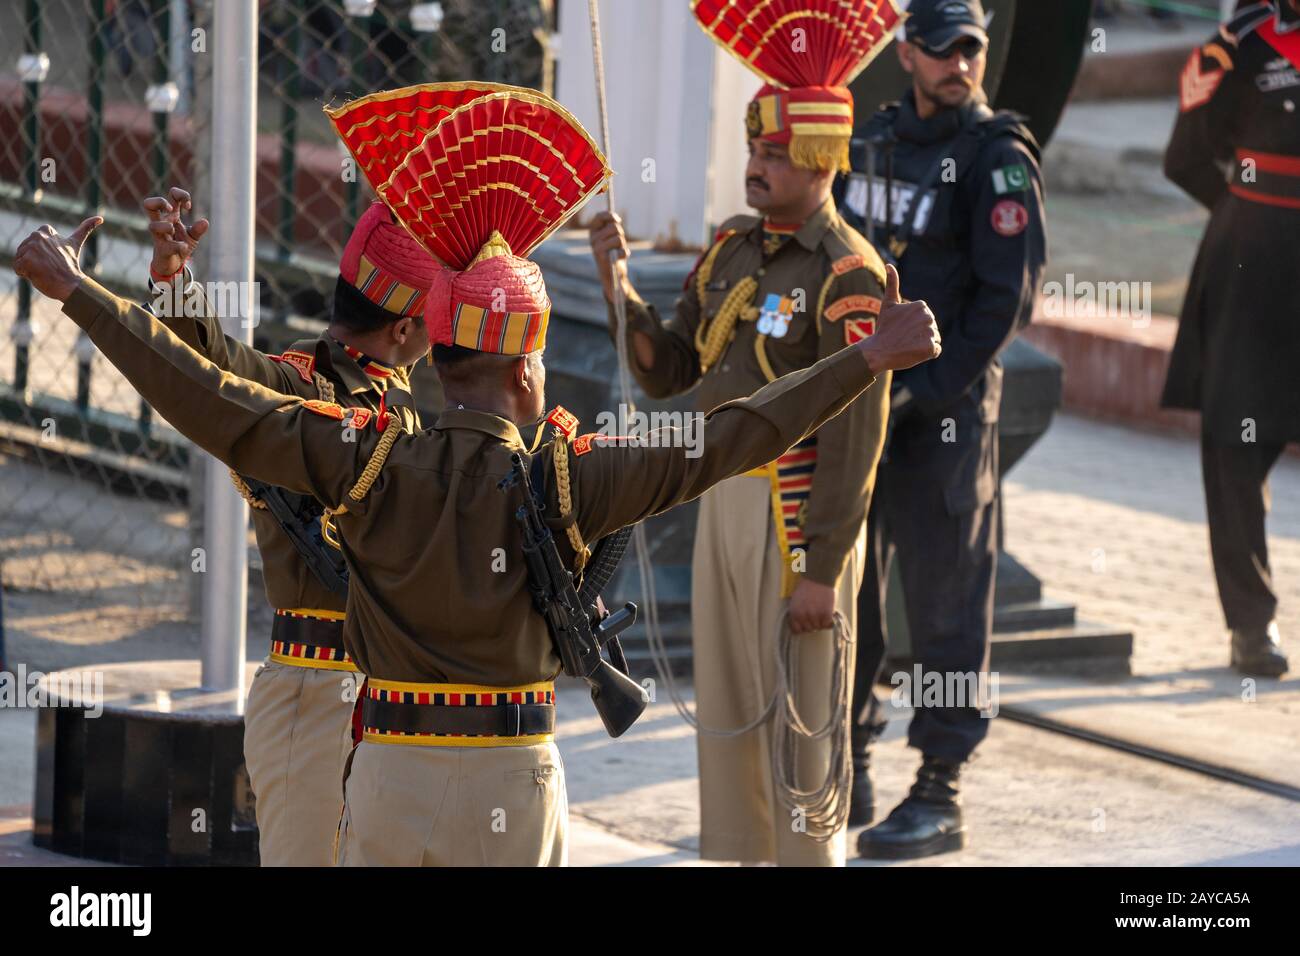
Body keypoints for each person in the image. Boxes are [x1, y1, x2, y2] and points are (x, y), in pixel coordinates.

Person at [14, 82, 942, 866]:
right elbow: (734, 434)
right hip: (513, 778)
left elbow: (212, 397)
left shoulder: (364, 457)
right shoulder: (577, 480)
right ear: (529, 370)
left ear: (438, 356)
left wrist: (83, 296)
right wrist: (865, 362)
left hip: (384, 774)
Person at [588, 0, 900, 865]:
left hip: (794, 517)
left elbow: (855, 436)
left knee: (799, 730)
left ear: (817, 159)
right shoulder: (730, 246)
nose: (755, 166)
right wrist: (619, 287)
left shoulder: (849, 273)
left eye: (773, 155)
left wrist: (823, 570)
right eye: (753, 149)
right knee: (726, 712)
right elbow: (672, 370)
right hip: (720, 495)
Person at [140, 187, 438, 865]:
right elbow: (215, 368)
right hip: (315, 684)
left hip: (386, 686)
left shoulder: (399, 398)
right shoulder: (303, 386)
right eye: (433, 315)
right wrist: (174, 281)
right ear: (401, 328)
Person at [837, 0, 1046, 859]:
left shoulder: (998, 161)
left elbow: (1007, 301)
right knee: (848, 587)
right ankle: (845, 762)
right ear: (908, 54)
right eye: (942, 48)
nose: (959, 62)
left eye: (972, 49)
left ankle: (940, 790)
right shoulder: (871, 142)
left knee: (947, 600)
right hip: (861, 407)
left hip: (946, 416)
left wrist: (925, 388)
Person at [1160, 0, 1297, 678]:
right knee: (1236, 442)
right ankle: (1251, 623)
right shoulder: (1233, 47)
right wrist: (1250, 215)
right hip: (1249, 266)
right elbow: (1184, 157)